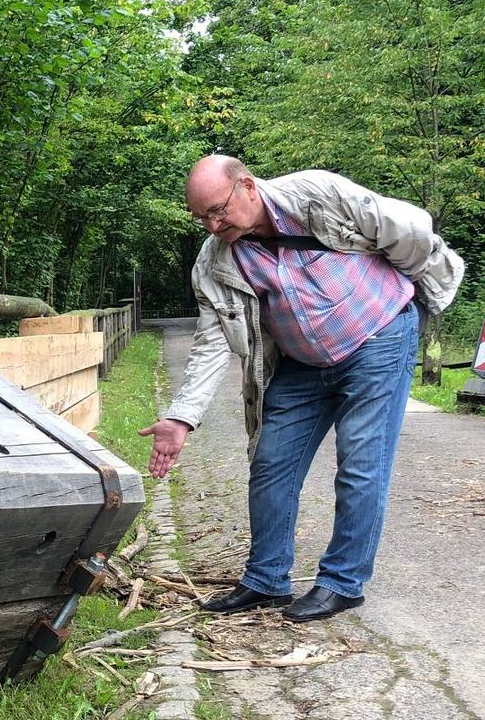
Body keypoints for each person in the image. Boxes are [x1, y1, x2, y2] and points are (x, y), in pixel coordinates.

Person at [139, 156, 463, 622]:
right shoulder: (215, 262)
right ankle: (266, 579)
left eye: (218, 209)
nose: (213, 224)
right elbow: (213, 340)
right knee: (270, 463)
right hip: (302, 366)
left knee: (360, 464)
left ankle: (343, 583)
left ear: (247, 186)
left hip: (380, 338)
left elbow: (410, 229)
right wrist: (180, 417)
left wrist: (406, 295)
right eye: (202, 218)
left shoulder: (317, 195)